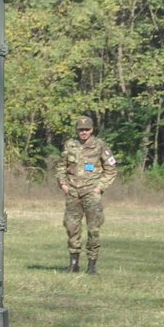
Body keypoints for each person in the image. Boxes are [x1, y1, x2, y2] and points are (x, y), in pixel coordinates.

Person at [56, 115, 118, 274]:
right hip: (73, 192)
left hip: (91, 192)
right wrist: (63, 183)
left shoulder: (100, 146)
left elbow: (111, 169)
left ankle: (92, 266)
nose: (83, 132)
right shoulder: (70, 145)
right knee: (71, 228)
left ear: (92, 130)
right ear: (77, 130)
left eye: (87, 129)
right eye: (81, 129)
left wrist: (100, 187)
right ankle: (74, 264)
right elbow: (61, 166)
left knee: (94, 229)